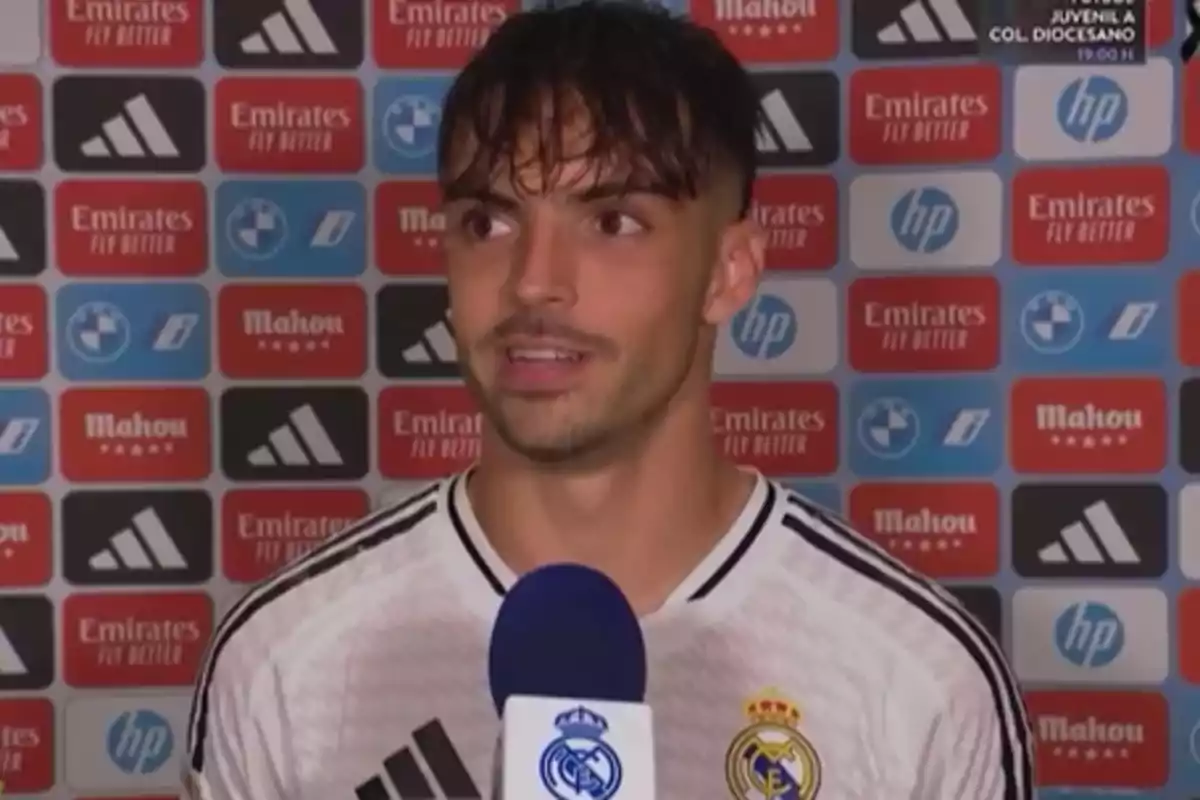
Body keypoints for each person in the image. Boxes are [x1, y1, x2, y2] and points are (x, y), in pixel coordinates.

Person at [184, 2, 1033, 798]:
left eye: (614, 221)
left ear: (729, 272)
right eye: (489, 222)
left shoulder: (917, 677)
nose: (534, 283)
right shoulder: (285, 663)